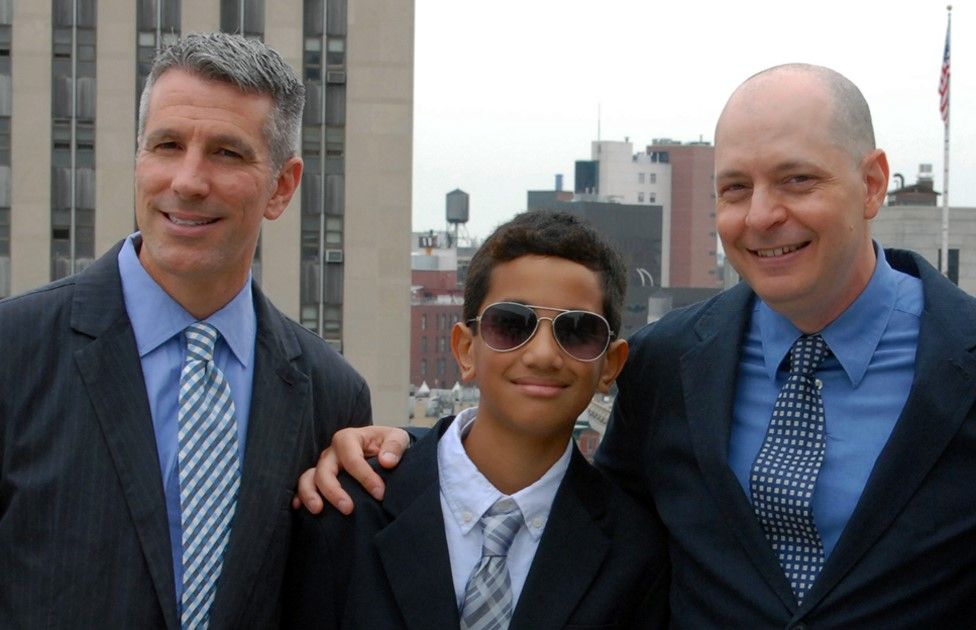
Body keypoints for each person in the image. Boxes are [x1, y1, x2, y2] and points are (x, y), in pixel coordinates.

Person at [298, 63, 976, 627]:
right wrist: (405, 454)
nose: (763, 214)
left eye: (797, 179)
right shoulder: (670, 366)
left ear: (873, 182)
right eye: (735, 188)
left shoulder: (962, 359)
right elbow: (584, 513)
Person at [0, 33, 371, 628]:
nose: (188, 181)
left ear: (282, 186)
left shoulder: (331, 394)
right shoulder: (13, 352)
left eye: (227, 153)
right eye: (167, 145)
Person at [284, 211, 669, 629]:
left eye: (577, 331)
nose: (542, 354)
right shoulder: (346, 512)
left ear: (610, 365)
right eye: (511, 325)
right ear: (466, 349)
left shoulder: (636, 553)